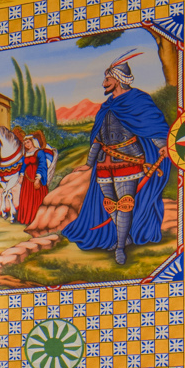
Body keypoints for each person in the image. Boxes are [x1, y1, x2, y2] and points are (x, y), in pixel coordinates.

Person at [63, 52, 170, 266]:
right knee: (111, 204)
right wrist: (88, 164)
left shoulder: (138, 101)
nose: (104, 83)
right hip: (104, 163)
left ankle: (120, 247)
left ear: (119, 79)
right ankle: (124, 236)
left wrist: (162, 146)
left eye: (107, 79)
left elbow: (152, 126)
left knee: (125, 204)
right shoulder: (107, 106)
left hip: (129, 160)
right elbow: (98, 138)